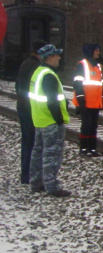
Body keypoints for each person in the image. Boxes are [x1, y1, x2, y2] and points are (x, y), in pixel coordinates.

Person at [28, 44, 71, 197]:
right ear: (50, 57)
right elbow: (52, 101)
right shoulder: (48, 75)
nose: (59, 58)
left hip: (39, 119)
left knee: (38, 152)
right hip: (50, 121)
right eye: (57, 55)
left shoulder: (38, 72)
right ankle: (52, 186)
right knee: (52, 154)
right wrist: (59, 119)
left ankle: (36, 182)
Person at [15, 39, 46, 184]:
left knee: (27, 141)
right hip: (31, 109)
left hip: (23, 106)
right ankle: (29, 175)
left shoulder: (25, 63)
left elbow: (18, 86)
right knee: (33, 143)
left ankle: (25, 174)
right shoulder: (36, 66)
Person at [72, 43, 103, 157]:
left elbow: (100, 85)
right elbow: (77, 83)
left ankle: (92, 148)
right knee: (86, 125)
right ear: (90, 51)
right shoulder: (82, 65)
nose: (98, 52)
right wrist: (81, 99)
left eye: (98, 50)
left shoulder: (98, 66)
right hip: (86, 102)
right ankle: (84, 148)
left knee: (93, 126)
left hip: (95, 102)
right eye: (96, 50)